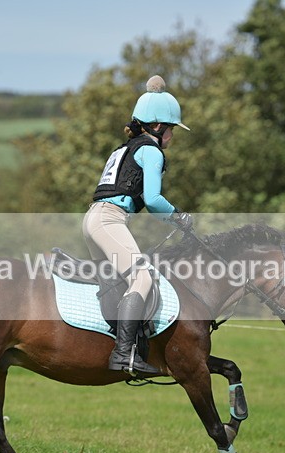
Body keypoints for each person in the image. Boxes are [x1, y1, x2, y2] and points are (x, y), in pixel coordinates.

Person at [82, 75, 193, 377]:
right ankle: (123, 356)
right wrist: (179, 216)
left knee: (113, 283)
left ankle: (112, 345)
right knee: (142, 278)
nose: (172, 137)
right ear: (158, 127)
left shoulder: (125, 148)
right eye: (171, 130)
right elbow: (154, 200)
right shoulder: (152, 150)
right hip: (110, 220)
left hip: (94, 218)